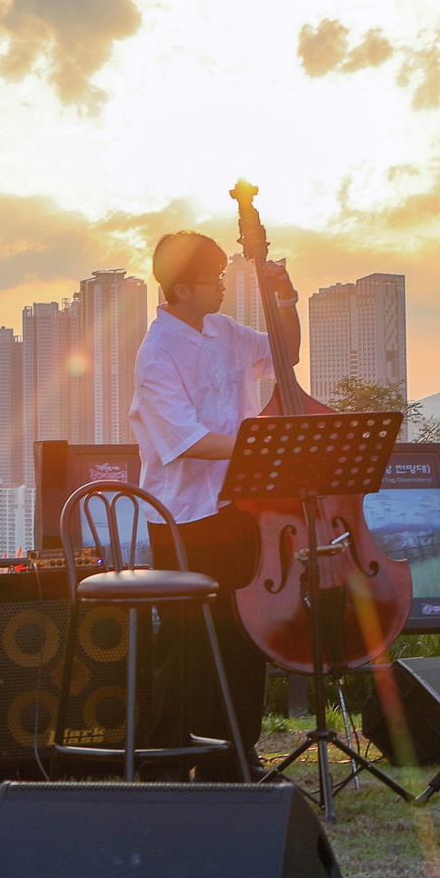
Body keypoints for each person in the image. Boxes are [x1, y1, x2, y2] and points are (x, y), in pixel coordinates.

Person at [127, 230, 301, 781]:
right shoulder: (156, 354)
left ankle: (233, 755)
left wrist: (287, 302)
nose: (224, 285)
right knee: (184, 643)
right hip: (184, 517)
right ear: (180, 289)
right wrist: (264, 446)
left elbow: (285, 354)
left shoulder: (224, 330)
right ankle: (168, 760)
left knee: (243, 632)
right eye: (214, 278)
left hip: (240, 507)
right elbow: (188, 441)